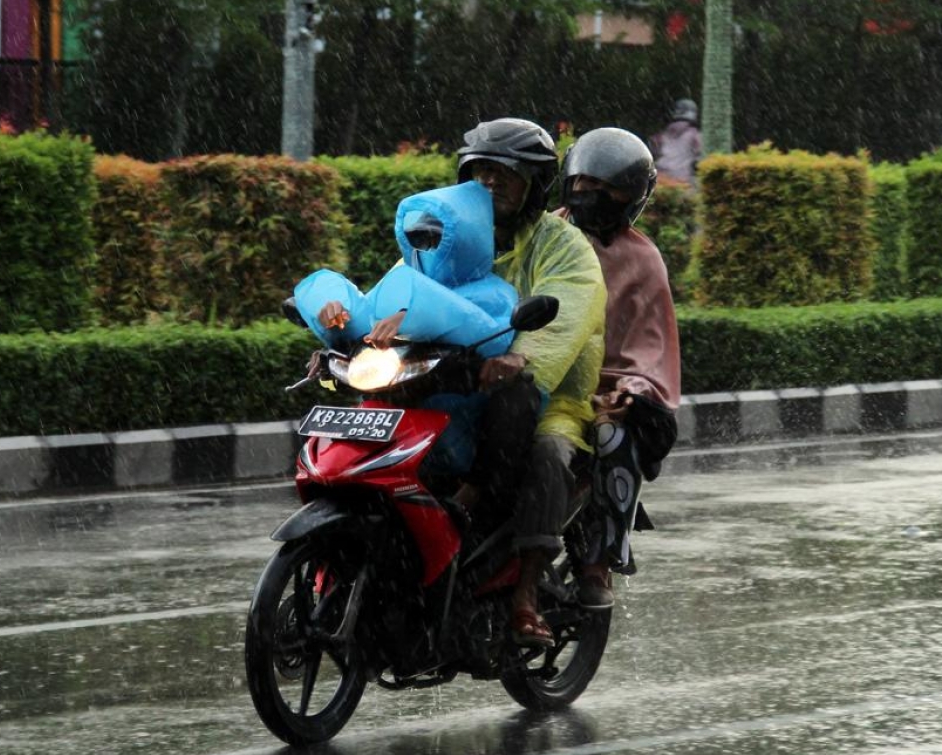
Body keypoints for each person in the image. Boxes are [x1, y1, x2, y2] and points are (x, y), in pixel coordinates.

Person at [452, 117, 607, 647]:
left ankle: (524, 594)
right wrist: (355, 328)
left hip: (551, 397)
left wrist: (524, 358)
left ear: (536, 186)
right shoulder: (449, 233)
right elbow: (405, 287)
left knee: (546, 453)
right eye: (480, 173)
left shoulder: (564, 245)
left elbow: (567, 309)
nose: (489, 184)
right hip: (462, 388)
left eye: (504, 175)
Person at [292, 180, 520, 476]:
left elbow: (482, 330)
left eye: (435, 240)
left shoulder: (493, 292)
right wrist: (334, 315)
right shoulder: (398, 284)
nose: (425, 249)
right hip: (397, 402)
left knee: (464, 459)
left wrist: (409, 316)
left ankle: (472, 498)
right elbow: (365, 313)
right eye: (418, 240)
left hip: (456, 406)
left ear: (465, 240)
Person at [559, 126, 681, 610]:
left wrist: (628, 389)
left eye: (607, 188)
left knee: (612, 437)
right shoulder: (544, 233)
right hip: (535, 372)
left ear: (632, 196)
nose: (592, 195)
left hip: (605, 390)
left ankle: (598, 563)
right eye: (584, 183)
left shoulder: (643, 258)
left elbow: (650, 342)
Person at [649, 98, 703, 189]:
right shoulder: (696, 136)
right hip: (683, 182)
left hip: (661, 181)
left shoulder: (661, 136)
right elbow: (701, 158)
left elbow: (652, 153)